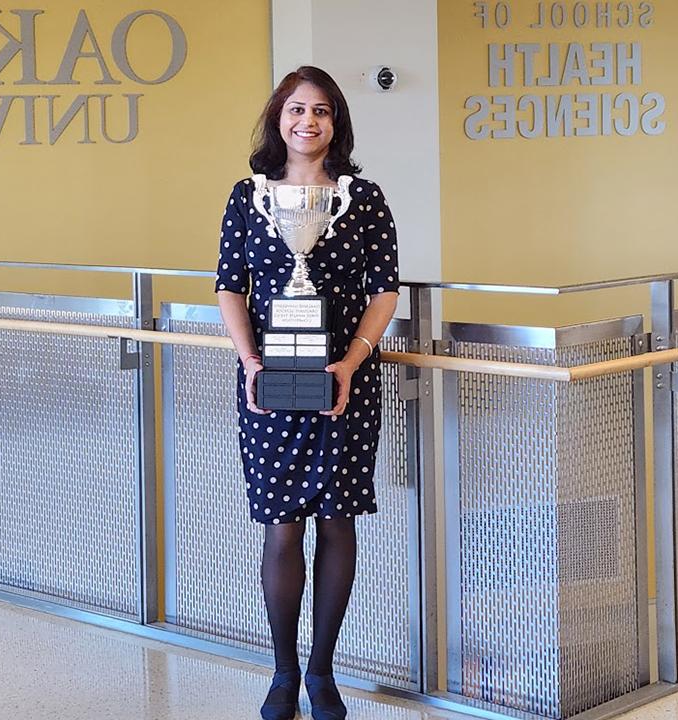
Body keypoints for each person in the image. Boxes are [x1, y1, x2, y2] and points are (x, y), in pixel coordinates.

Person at [215, 66, 400, 720]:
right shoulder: (249, 196)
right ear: (278, 118)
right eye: (297, 109)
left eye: (321, 111)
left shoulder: (362, 197)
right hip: (270, 385)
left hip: (343, 386)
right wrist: (249, 362)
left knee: (338, 521)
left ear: (335, 122)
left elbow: (384, 290)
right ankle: (283, 672)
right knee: (281, 527)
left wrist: (350, 362)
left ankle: (322, 672)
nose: (308, 122)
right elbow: (229, 286)